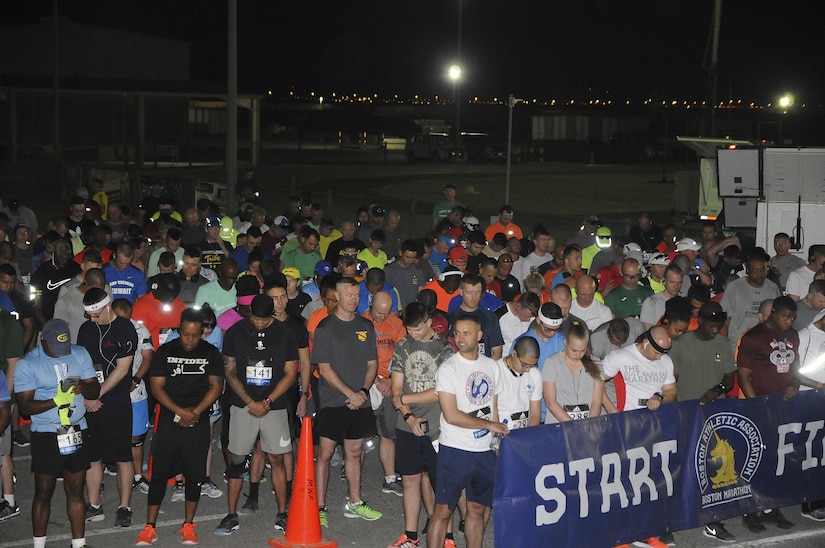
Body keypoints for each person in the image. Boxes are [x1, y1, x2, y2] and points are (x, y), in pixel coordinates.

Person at [135, 308, 224, 546]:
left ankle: (188, 525)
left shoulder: (211, 353)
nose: (190, 339)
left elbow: (216, 386)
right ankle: (149, 526)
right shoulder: (165, 352)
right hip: (169, 421)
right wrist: (180, 411)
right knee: (159, 474)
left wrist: (194, 412)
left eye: (195, 335)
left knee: (195, 474)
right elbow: (157, 388)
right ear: (179, 330)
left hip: (198, 421)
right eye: (186, 334)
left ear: (202, 332)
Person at [215, 294, 298, 535]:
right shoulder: (234, 332)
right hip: (243, 405)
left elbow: (290, 373)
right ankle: (231, 515)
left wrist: (268, 401)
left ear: (272, 315)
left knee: (277, 459)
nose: (259, 324)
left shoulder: (286, 334)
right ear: (249, 312)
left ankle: (282, 513)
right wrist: (251, 401)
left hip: (275, 405)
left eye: (264, 320)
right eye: (255, 319)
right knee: (237, 461)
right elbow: (229, 371)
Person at [14, 319, 100, 548]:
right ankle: (39, 545)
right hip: (47, 432)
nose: (62, 353)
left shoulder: (79, 353)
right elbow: (24, 406)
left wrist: (83, 387)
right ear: (44, 340)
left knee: (76, 490)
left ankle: (79, 544)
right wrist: (55, 401)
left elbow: (95, 388)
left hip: (75, 429)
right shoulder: (28, 363)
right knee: (44, 491)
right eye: (56, 348)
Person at [428, 315, 508, 548]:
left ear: (480, 336)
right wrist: (489, 425)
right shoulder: (449, 368)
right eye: (458, 333)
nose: (460, 338)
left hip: (484, 451)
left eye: (467, 333)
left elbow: (493, 405)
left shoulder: (492, 366)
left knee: (477, 508)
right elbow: (451, 415)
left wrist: (496, 440)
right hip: (455, 449)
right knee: (443, 511)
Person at [312, 277, 382, 526]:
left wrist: (361, 391)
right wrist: (348, 394)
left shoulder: (366, 326)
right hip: (332, 401)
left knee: (354, 451)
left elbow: (372, 364)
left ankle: (355, 501)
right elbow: (324, 368)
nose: (354, 299)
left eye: (356, 295)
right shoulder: (325, 328)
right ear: (337, 297)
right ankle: (319, 507)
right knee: (326, 453)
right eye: (349, 295)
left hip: (360, 399)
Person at [387, 303, 456, 548]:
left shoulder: (444, 348)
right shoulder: (403, 345)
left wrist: (405, 398)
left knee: (442, 485)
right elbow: (396, 389)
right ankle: (411, 535)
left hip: (438, 427)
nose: (412, 334)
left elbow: (441, 392)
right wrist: (409, 416)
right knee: (409, 481)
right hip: (407, 425)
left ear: (428, 322)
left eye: (416, 329)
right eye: (409, 329)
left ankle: (448, 537)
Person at [736, 296, 800, 533]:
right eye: (786, 316)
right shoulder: (753, 337)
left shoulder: (793, 335)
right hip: (760, 406)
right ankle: (750, 510)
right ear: (773, 313)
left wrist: (794, 383)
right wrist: (756, 407)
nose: (790, 321)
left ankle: (772, 507)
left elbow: (796, 367)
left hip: (783, 406)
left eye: (793, 317)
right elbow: (743, 376)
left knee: (776, 457)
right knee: (755, 459)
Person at [76, 288, 137, 526]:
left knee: (123, 456)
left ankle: (124, 506)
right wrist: (85, 397)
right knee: (93, 456)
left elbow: (122, 369)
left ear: (108, 306)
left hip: (117, 401)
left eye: (96, 315)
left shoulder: (125, 328)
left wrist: (96, 394)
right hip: (91, 402)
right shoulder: (86, 329)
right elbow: (81, 362)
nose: (93, 320)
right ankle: (94, 505)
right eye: (89, 315)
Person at [542, 321, 604, 423]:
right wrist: (574, 426)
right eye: (574, 350)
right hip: (559, 424)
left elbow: (597, 401)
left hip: (587, 424)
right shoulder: (552, 362)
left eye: (582, 351)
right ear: (565, 342)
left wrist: (590, 424)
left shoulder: (595, 362)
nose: (578, 354)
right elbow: (550, 402)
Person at [721, 251, 781, 351]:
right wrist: (725, 343)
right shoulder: (735, 287)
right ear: (748, 270)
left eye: (762, 270)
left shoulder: (772, 288)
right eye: (755, 270)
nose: (759, 274)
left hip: (765, 345)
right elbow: (726, 318)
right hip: (738, 344)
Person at [447, 274, 505, 360]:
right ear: (461, 292)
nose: (474, 297)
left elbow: (497, 351)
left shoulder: (490, 317)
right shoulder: (451, 317)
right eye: (469, 293)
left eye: (477, 292)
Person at [497, 336, 543, 428]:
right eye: (525, 364)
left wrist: (528, 437)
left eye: (533, 365)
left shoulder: (535, 374)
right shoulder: (496, 371)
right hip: (500, 431)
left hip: (524, 432)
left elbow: (535, 414)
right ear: (514, 353)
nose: (528, 370)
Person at [640, 264, 684, 329]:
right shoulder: (651, 302)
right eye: (672, 282)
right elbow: (647, 331)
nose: (676, 286)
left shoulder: (684, 302)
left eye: (679, 282)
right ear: (664, 281)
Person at [384, 239, 425, 307]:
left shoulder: (418, 270)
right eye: (407, 257)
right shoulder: (389, 271)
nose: (410, 260)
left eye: (413, 258)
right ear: (400, 253)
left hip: (412, 312)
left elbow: (420, 292)